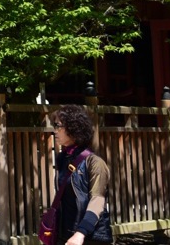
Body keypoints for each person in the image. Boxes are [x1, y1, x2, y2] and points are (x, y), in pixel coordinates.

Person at [50, 105, 112, 245]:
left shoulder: (95, 163)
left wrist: (80, 233)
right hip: (66, 234)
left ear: (73, 128)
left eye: (58, 126)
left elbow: (98, 201)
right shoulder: (63, 158)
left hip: (91, 237)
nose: (55, 131)